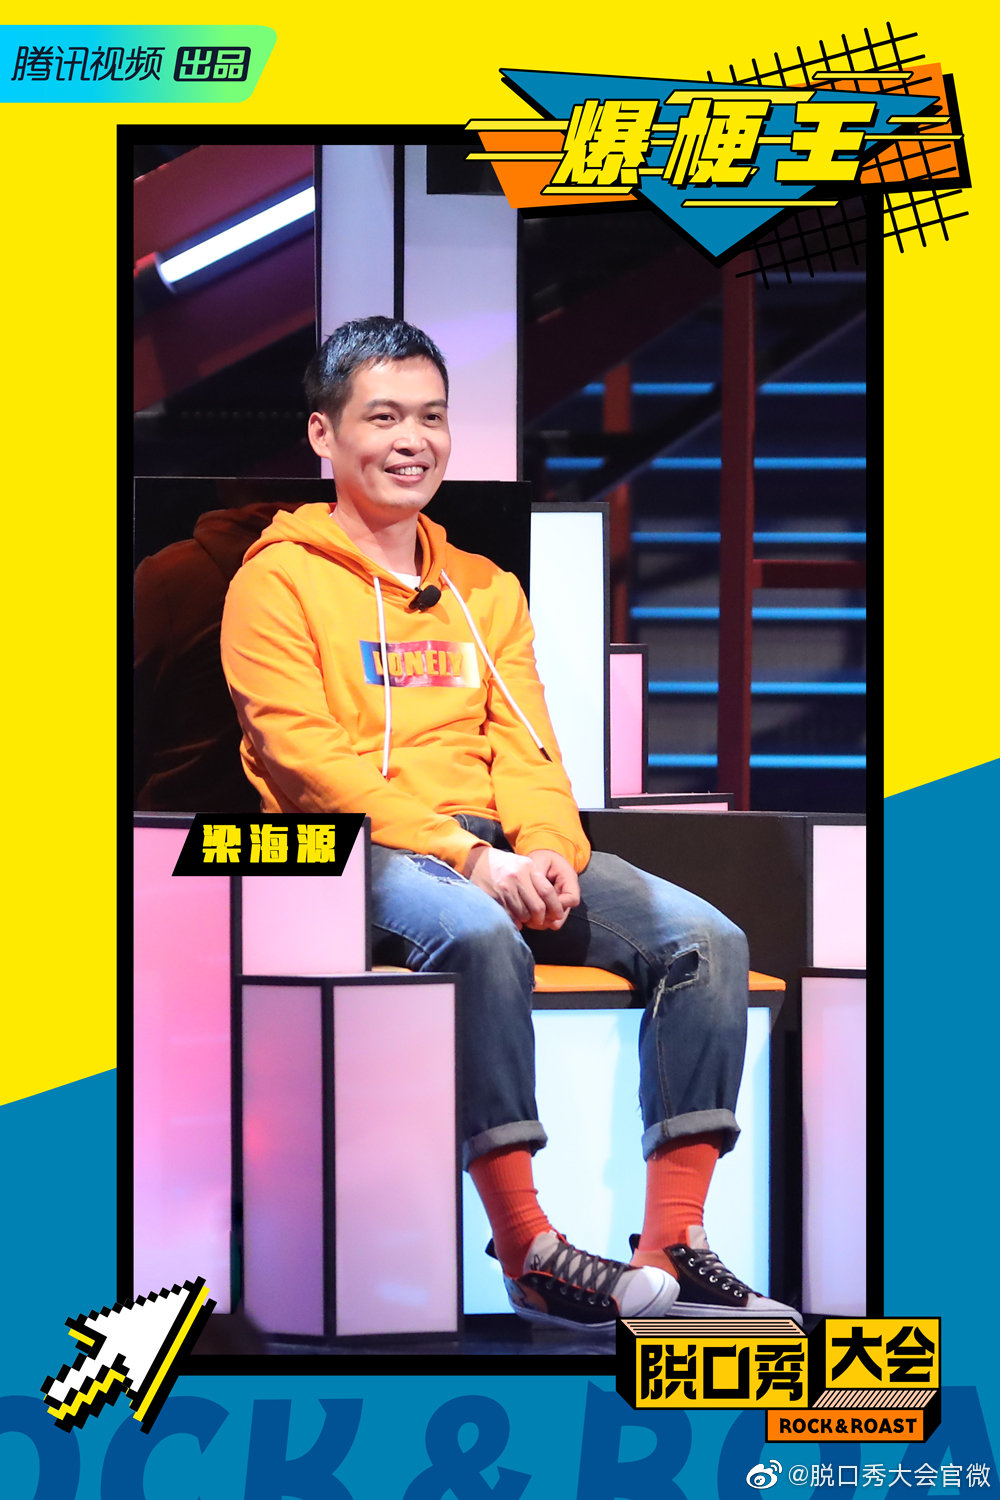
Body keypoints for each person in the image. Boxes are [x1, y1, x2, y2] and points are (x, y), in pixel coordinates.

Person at [221, 315, 800, 1331]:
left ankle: (675, 1243)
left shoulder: (485, 587)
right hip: (351, 848)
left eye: (431, 417)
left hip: (492, 839)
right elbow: (306, 764)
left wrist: (545, 851)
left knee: (707, 939)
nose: (412, 441)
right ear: (323, 434)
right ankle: (526, 1244)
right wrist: (470, 861)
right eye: (383, 417)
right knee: (480, 935)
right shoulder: (274, 582)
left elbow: (529, 749)